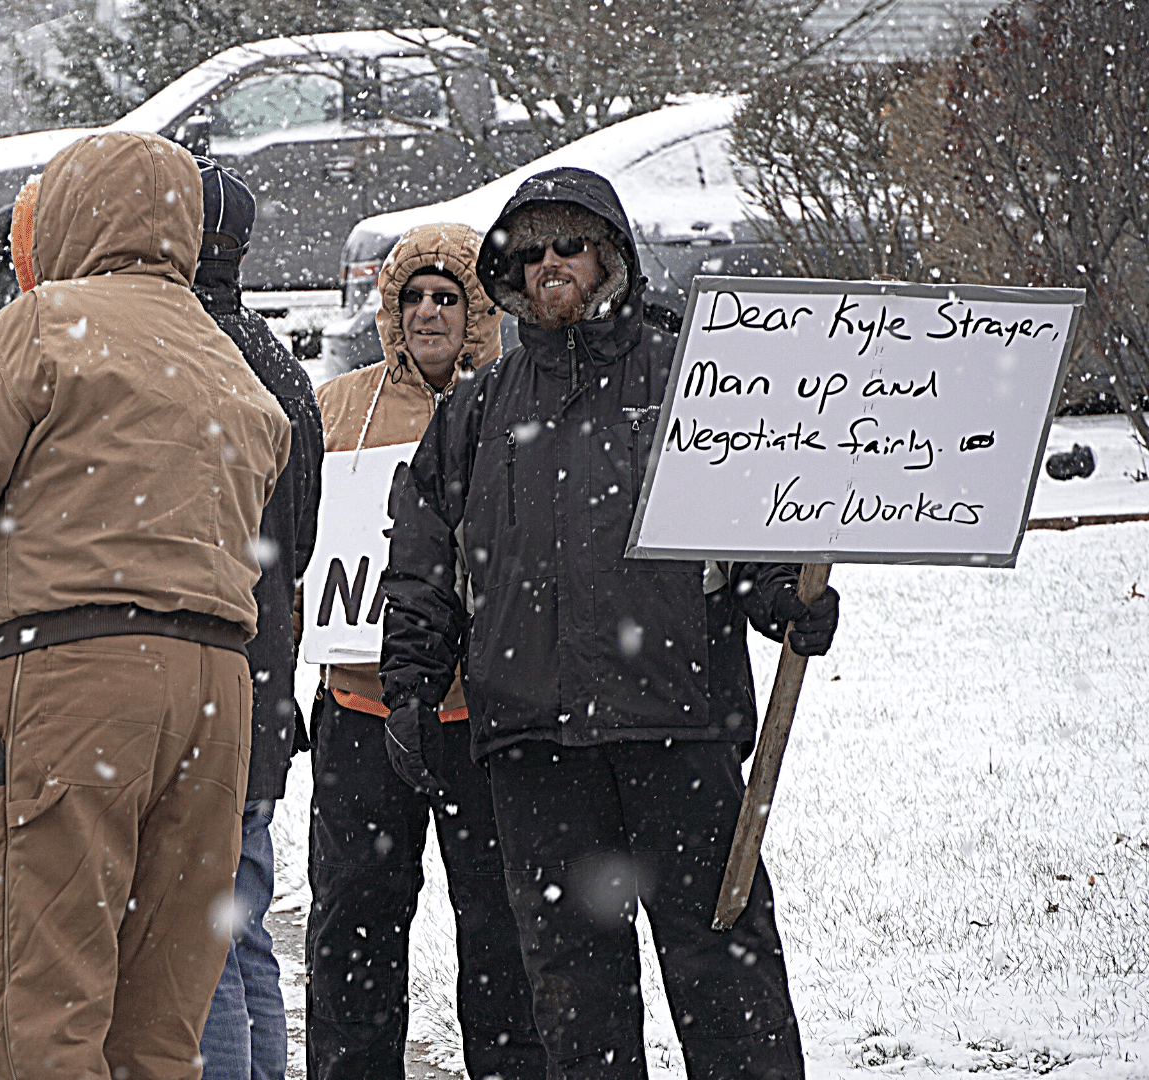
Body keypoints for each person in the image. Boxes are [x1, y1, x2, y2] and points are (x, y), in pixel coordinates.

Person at [381, 167, 842, 1080]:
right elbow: (422, 566)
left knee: (724, 971)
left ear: (611, 258)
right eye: (533, 248)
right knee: (573, 990)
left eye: (572, 243)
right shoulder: (476, 409)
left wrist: (788, 594)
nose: (553, 262)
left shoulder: (685, 380)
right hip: (534, 743)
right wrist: (410, 686)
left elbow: (750, 526)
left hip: (681, 726)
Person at [0, 131, 292, 1080]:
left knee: (40, 1002)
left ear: (69, 212)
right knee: (162, 1022)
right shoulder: (230, 361)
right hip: (217, 695)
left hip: (74, 678)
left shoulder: (46, 323)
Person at [306, 223, 545, 1080]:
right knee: (353, 925)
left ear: (479, 310)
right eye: (412, 296)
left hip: (486, 717)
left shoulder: (518, 405)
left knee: (503, 931)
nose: (429, 313)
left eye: (449, 297)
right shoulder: (338, 410)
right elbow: (298, 543)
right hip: (363, 710)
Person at [187, 157, 324, 1080]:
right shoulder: (279, 363)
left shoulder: (184, 354)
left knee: (199, 951)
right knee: (243, 931)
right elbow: (300, 536)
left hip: (204, 679)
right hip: (265, 677)